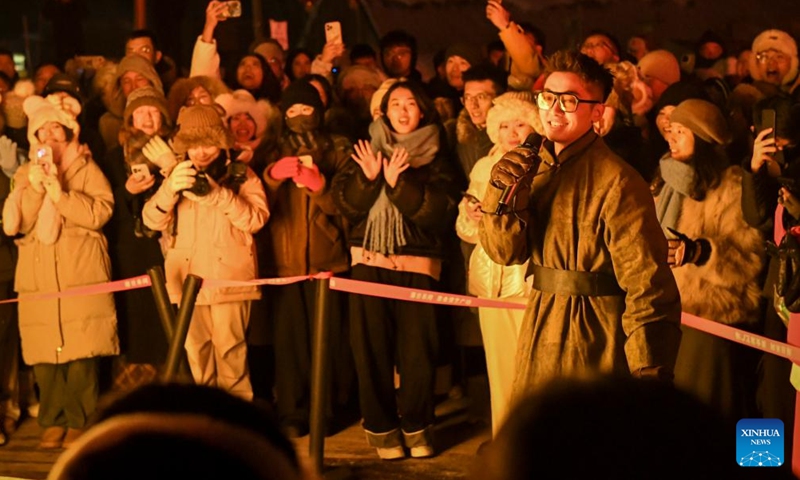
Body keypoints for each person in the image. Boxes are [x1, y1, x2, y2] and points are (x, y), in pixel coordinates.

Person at [480, 50, 682, 398]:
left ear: (597, 112)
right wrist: (500, 198)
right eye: (548, 98)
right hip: (539, 322)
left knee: (586, 426)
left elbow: (648, 286)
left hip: (596, 333)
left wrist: (649, 375)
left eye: (569, 101)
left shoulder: (618, 181)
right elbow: (505, 253)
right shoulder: (532, 167)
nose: (555, 110)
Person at [332, 80, 460, 460]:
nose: (403, 111)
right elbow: (346, 206)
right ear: (383, 112)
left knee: (418, 351)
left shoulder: (438, 155)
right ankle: (382, 431)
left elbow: (441, 213)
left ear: (423, 111)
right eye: (395, 104)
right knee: (370, 350)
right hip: (369, 262)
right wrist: (368, 179)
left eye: (410, 104)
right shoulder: (365, 151)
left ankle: (418, 428)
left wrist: (398, 184)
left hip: (417, 264)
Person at [3, 95, 118, 449]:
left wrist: (61, 195)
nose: (51, 135)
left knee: (81, 352)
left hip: (79, 269)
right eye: (44, 130)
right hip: (38, 275)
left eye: (57, 128)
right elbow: (17, 224)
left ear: (69, 133)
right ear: (35, 136)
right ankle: (53, 418)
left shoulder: (86, 167)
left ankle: (80, 418)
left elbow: (101, 212)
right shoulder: (25, 173)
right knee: (44, 355)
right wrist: (37, 189)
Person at [142, 104, 269, 400]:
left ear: (221, 142)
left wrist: (219, 196)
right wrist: (169, 189)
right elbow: (151, 221)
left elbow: (256, 219)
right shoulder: (178, 175)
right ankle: (204, 415)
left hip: (230, 280)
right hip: (187, 281)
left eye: (208, 144)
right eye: (194, 144)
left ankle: (236, 416)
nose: (201, 152)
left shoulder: (240, 174)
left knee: (231, 353)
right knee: (196, 353)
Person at [653, 99, 763, 419]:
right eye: (671, 130)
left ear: (703, 140)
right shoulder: (667, 181)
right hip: (670, 313)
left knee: (708, 412)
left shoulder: (730, 186)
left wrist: (700, 252)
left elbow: (747, 260)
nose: (671, 137)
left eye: (681, 131)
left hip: (711, 320)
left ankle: (754, 451)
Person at [261, 82, 352, 437]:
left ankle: (325, 411)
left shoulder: (338, 148)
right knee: (289, 343)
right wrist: (272, 177)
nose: (299, 116)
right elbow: (256, 205)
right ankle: (292, 412)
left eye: (306, 109)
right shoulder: (272, 149)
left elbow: (350, 205)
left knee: (327, 340)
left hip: (327, 258)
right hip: (283, 261)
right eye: (292, 110)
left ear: (320, 111)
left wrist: (320, 186)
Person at [456, 92, 540, 437]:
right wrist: (472, 215)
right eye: (504, 126)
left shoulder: (544, 165)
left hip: (527, 281)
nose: (512, 132)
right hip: (490, 282)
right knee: (499, 366)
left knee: (532, 367)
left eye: (520, 123)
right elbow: (465, 231)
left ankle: (532, 439)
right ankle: (504, 437)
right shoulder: (483, 167)